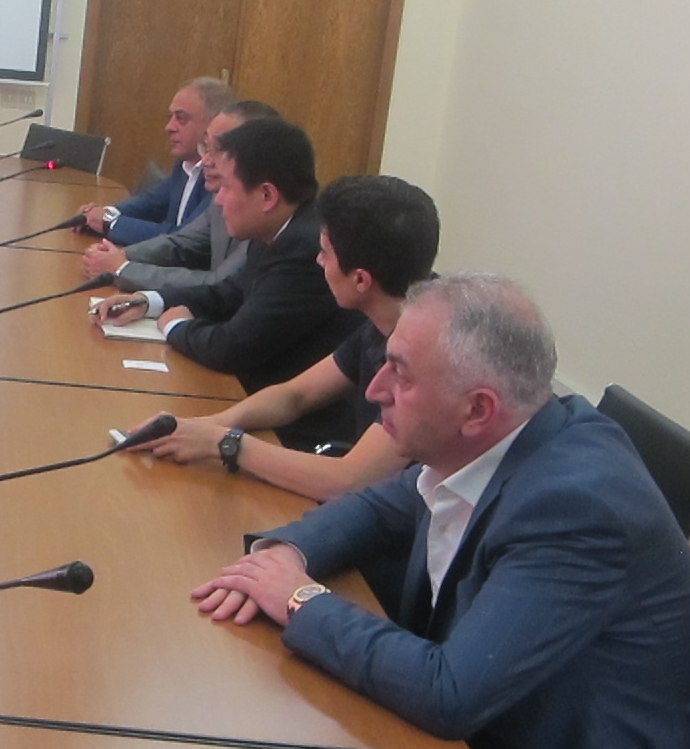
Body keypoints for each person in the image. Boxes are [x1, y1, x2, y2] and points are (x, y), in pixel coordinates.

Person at [191, 275, 690, 749]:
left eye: (401, 374)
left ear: (477, 410)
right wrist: (282, 555)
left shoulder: (575, 508)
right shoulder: (500, 437)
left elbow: (449, 694)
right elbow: (380, 508)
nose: (374, 390)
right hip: (502, 714)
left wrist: (299, 597)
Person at [131, 174, 440, 494]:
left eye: (325, 253)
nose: (318, 261)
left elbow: (348, 479)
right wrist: (210, 424)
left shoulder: (431, 354)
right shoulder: (388, 316)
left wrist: (222, 443)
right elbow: (295, 396)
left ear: (361, 280)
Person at [95, 118, 361, 411]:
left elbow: (232, 348)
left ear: (267, 196)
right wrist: (149, 301)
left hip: (293, 422)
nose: (218, 201)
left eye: (226, 187)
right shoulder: (277, 230)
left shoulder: (304, 248)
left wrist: (175, 326)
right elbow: (226, 294)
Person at [81, 99, 278, 290]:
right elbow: (181, 244)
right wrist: (121, 256)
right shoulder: (217, 196)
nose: (205, 160)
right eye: (206, 147)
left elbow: (220, 284)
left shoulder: (269, 216)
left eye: (218, 150)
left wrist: (122, 269)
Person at [78, 77, 231, 245]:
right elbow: (151, 203)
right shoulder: (185, 165)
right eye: (170, 117)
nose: (169, 127)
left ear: (213, 124)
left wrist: (110, 223)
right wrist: (105, 213)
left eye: (181, 118)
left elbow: (183, 238)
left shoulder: (218, 178)